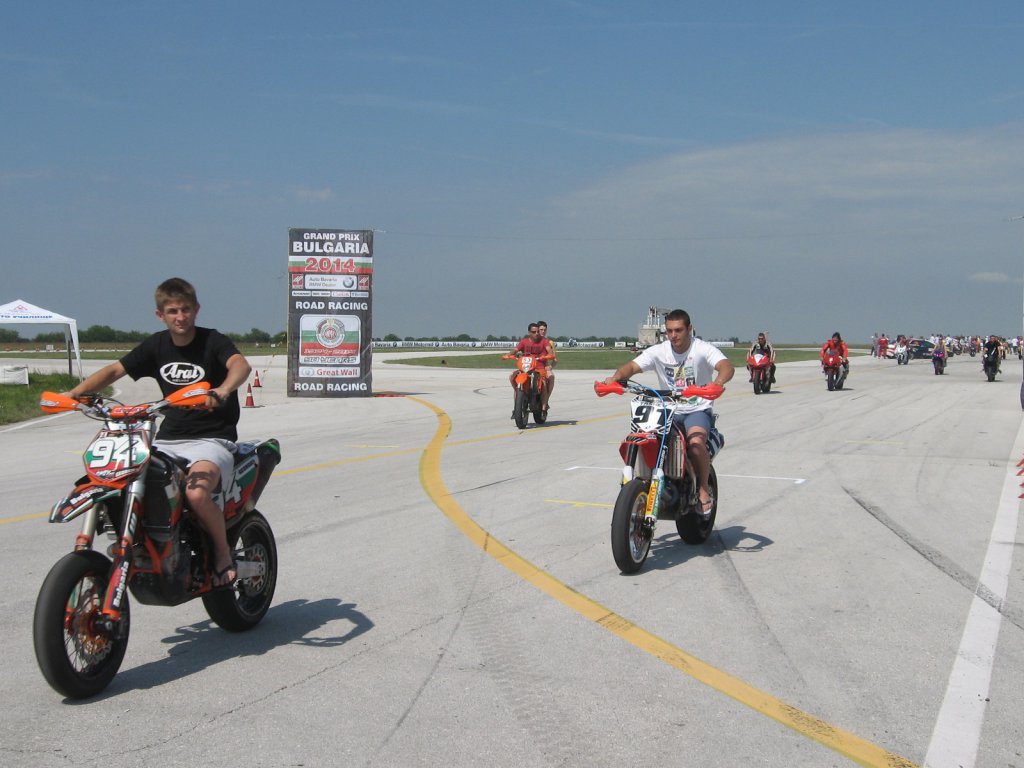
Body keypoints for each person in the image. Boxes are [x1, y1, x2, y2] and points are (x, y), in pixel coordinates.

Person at [67, 277, 252, 586]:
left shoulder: (212, 341)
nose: (180, 317)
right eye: (172, 311)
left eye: (186, 309)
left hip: (212, 439)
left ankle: (222, 553)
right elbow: (115, 370)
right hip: (167, 439)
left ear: (196, 309)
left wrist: (222, 390)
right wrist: (75, 394)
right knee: (122, 479)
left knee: (196, 492)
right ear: (160, 314)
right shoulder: (156, 345)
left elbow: (240, 365)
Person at [604, 309, 734, 516]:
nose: (673, 335)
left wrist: (717, 383)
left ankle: (703, 489)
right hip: (667, 408)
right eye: (670, 331)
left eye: (678, 330)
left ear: (689, 329)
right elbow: (632, 367)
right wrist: (615, 378)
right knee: (642, 437)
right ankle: (644, 483)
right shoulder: (659, 351)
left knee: (696, 443)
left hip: (696, 408)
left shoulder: (702, 349)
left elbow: (726, 366)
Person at [509, 322, 551, 415]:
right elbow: (515, 350)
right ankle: (517, 405)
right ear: (529, 332)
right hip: (525, 368)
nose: (536, 333)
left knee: (543, 383)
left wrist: (549, 355)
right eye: (533, 332)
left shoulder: (544, 341)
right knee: (512, 376)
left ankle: (544, 408)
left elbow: (549, 350)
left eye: (537, 331)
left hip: (539, 368)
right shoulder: (524, 341)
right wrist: (509, 355)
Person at [536, 320, 557, 413]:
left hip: (543, 367)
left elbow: (555, 359)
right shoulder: (531, 341)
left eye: (545, 330)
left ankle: (546, 401)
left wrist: (550, 367)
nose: (543, 331)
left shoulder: (550, 342)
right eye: (541, 329)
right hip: (531, 366)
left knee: (551, 376)